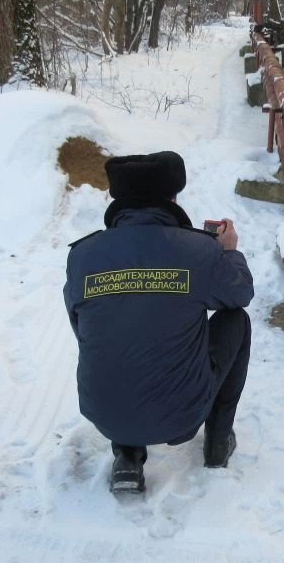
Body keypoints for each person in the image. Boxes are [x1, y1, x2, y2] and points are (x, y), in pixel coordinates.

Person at [63, 151, 254, 494]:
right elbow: (239, 295)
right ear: (172, 197)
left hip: (104, 413)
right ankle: (218, 442)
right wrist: (228, 253)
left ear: (117, 198)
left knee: (116, 334)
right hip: (181, 416)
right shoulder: (198, 250)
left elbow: (81, 329)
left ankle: (127, 457)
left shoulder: (83, 255)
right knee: (236, 321)